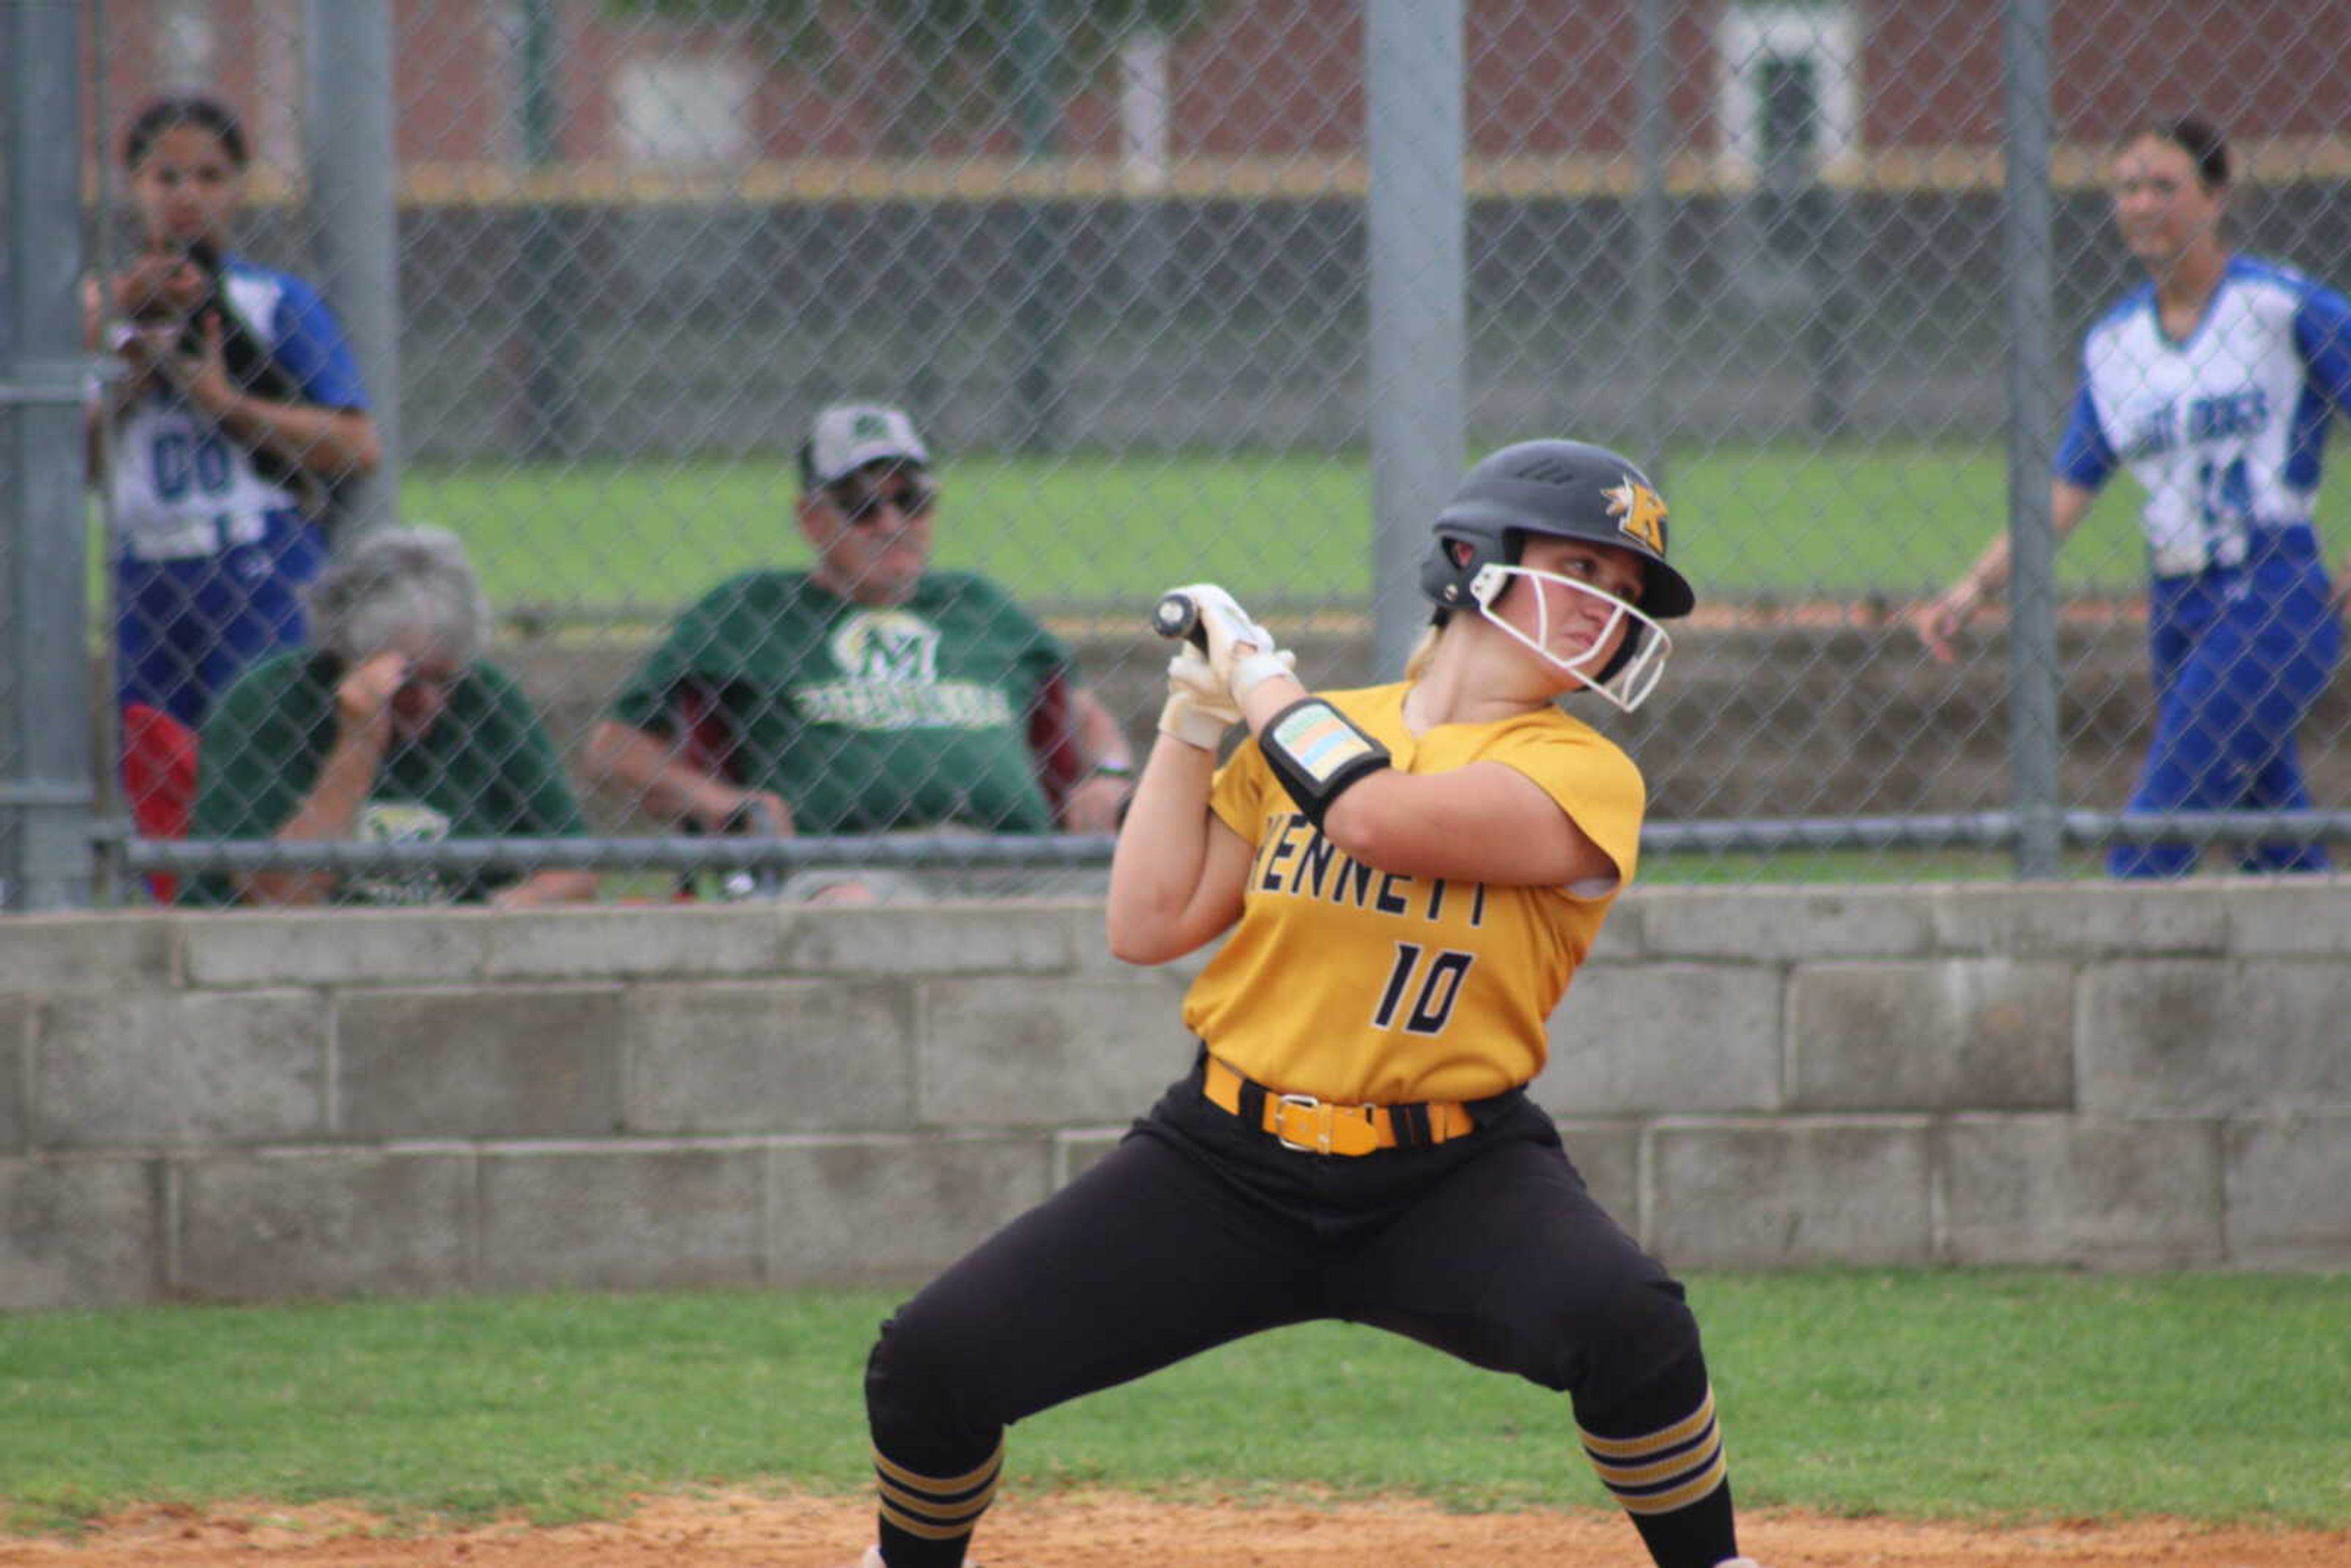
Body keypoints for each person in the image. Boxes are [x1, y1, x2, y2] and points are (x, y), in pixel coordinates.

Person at [838, 441, 1766, 1568]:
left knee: (1632, 1324)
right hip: (1225, 1160)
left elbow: (1370, 817)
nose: (1604, 611)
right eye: (1582, 569)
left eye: (1624, 598)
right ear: (1477, 561)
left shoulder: (1581, 772)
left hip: (1451, 1174)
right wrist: (1194, 717)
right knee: (932, 1360)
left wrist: (1263, 674)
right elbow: (1149, 923)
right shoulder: (1310, 736)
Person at [1913, 114, 2350, 877]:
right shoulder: (2116, 343)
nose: (2143, 204)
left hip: (2272, 593)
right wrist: (1975, 585)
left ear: (2216, 198)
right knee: (2272, 837)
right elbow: (2066, 489)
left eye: (2165, 186)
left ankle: (2095, 955)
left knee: (2159, 823)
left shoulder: (2279, 307)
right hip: (2177, 605)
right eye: (2128, 187)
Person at [582, 402, 1136, 899]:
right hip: (851, 864)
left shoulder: (979, 604)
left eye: (910, 499)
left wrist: (1110, 771)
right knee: (852, 914)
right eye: (861, 506)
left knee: (1158, 901)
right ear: (810, 519)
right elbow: (614, 750)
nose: (892, 524)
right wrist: (721, 804)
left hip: (1015, 861)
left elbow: (1083, 713)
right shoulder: (750, 610)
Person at [86, 94, 381, 730]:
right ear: (134, 186)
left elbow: (357, 444)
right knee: (154, 764)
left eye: (210, 176)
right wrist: (131, 375)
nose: (187, 194)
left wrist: (227, 404)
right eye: (165, 177)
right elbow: (66, 460)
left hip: (256, 557)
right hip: (146, 567)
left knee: (254, 748)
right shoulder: (103, 317)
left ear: (238, 188)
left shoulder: (271, 300)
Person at [184, 527, 599, 909]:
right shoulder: (267, 701)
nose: (430, 702)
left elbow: (574, 868)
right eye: (409, 681)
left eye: (445, 680)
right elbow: (282, 895)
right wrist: (359, 740)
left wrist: (494, 915)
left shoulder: (486, 695)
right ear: (349, 660)